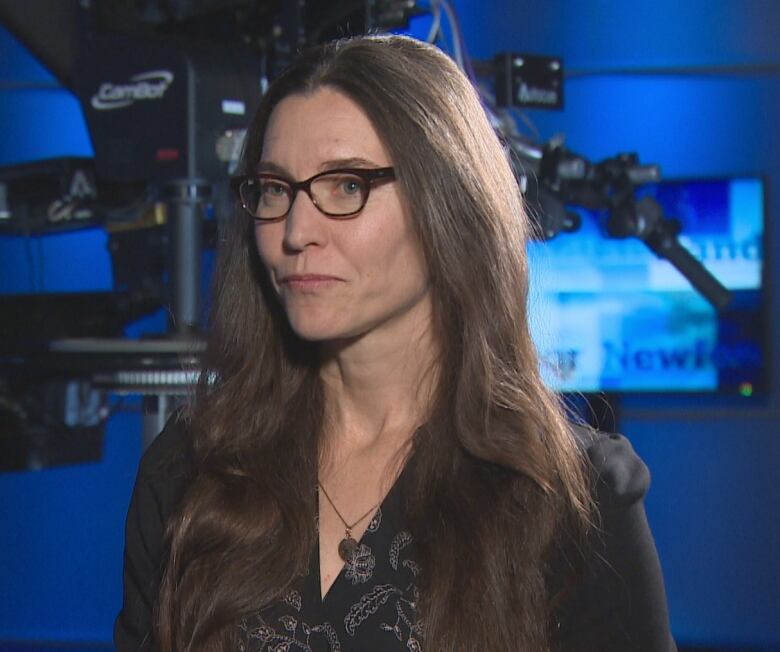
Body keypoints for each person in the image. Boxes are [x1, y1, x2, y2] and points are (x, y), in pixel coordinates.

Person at [115, 34, 676, 651]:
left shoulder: (571, 500)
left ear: (448, 203)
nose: (296, 230)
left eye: (346, 186)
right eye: (275, 189)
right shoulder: (191, 469)